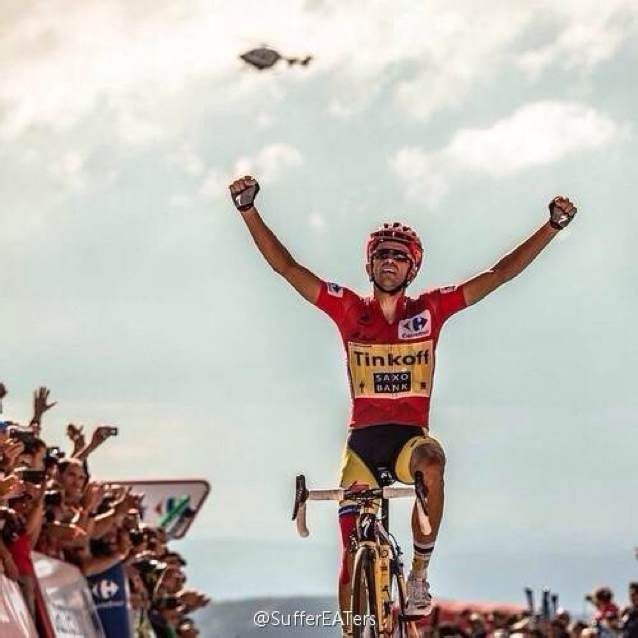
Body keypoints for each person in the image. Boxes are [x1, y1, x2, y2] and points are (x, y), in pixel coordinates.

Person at [229, 176, 576, 628]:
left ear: (412, 269)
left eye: (399, 256)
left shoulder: (429, 310)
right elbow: (288, 268)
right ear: (369, 264)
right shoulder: (350, 309)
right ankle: (353, 629)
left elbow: (499, 274)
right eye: (381, 254)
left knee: (433, 460)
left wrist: (550, 227)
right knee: (349, 558)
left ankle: (418, 575)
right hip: (362, 446)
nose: (388, 261)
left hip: (408, 440)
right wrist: (248, 210)